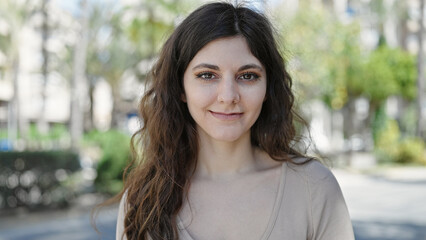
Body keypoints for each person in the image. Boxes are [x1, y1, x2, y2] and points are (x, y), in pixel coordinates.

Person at [115, 2, 354, 240]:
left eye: (247, 76)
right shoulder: (143, 201)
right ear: (181, 88)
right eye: (207, 75)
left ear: (268, 88)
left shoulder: (314, 189)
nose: (228, 96)